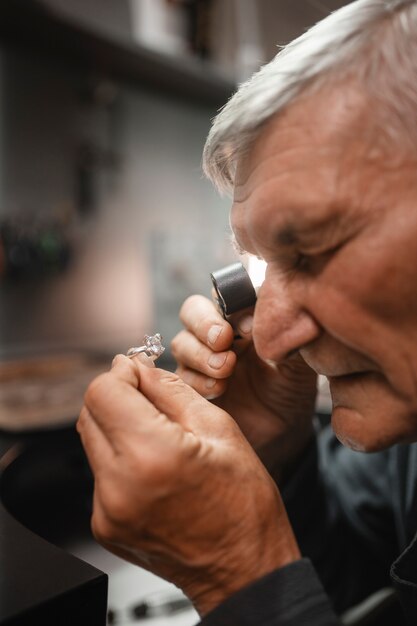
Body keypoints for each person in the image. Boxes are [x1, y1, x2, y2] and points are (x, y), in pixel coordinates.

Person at [77, 0, 417, 623]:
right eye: (266, 268)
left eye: (308, 251)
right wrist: (279, 457)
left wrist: (238, 572)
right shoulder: (405, 446)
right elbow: (350, 583)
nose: (275, 338)